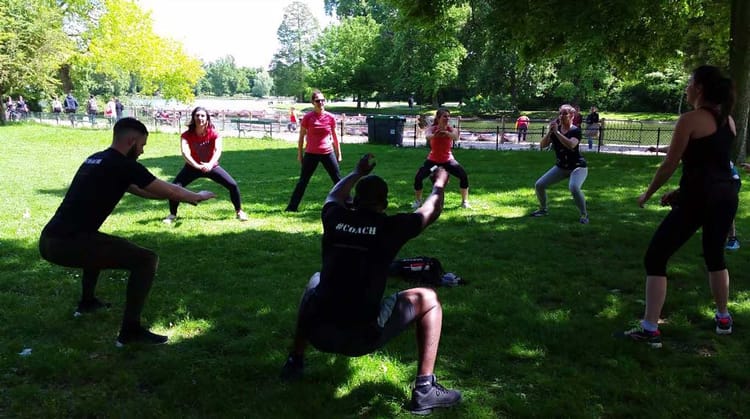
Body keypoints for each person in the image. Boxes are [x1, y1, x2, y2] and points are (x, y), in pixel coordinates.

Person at [280, 154, 462, 415]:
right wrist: (440, 185)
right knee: (429, 299)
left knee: (315, 280)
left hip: (319, 332)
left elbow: (333, 195)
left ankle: (295, 360)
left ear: (354, 201)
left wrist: (356, 172)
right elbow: (429, 211)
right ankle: (424, 390)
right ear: (384, 204)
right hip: (360, 338)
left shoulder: (334, 218)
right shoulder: (390, 227)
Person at [38, 117, 216, 346]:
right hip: (66, 245)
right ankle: (130, 332)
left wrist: (177, 193)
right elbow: (159, 186)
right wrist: (195, 196)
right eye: (142, 145)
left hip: (49, 240)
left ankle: (87, 303)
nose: (141, 151)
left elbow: (145, 190)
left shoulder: (96, 159)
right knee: (146, 260)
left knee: (96, 244)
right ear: (131, 141)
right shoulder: (124, 165)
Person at [619, 65, 738, 348]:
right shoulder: (728, 121)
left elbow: (670, 164)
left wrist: (648, 194)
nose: (685, 87)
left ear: (699, 88)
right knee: (714, 256)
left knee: (655, 257)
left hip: (700, 199)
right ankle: (723, 317)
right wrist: (680, 191)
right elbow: (712, 165)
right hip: (726, 196)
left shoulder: (690, 120)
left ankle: (650, 330)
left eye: (688, 83)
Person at [163, 106, 248, 223]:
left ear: (207, 119)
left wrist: (210, 164)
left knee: (232, 185)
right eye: (197, 115)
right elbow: (185, 152)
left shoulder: (214, 134)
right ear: (193, 118)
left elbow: (218, 150)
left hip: (211, 166)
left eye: (202, 115)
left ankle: (239, 212)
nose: (200, 118)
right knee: (175, 188)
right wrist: (196, 166)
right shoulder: (186, 135)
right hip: (192, 167)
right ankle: (172, 215)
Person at [530, 104, 589, 223]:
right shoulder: (555, 131)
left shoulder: (575, 130)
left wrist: (557, 133)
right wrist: (550, 132)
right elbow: (542, 145)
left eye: (564, 114)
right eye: (560, 113)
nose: (561, 116)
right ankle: (543, 209)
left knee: (573, 187)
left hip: (578, 167)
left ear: (572, 116)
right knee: (539, 185)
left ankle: (584, 215)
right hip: (561, 166)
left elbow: (571, 145)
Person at [285, 90, 342, 212]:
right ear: (313, 102)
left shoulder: (330, 117)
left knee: (338, 180)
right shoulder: (308, 117)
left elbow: (335, 136)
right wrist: (300, 154)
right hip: (311, 153)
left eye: (322, 100)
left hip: (328, 152)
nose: (320, 103)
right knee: (303, 181)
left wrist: (339, 153)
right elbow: (301, 138)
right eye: (317, 101)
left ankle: (349, 205)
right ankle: (292, 207)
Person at [413, 108, 470, 209]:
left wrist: (447, 133)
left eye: (448, 116)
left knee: (463, 176)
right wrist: (436, 135)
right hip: (433, 162)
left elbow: (456, 137)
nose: (447, 118)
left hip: (447, 161)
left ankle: (464, 201)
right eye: (445, 116)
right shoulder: (432, 128)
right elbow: (427, 136)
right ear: (438, 118)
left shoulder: (451, 129)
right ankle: (418, 201)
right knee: (418, 178)